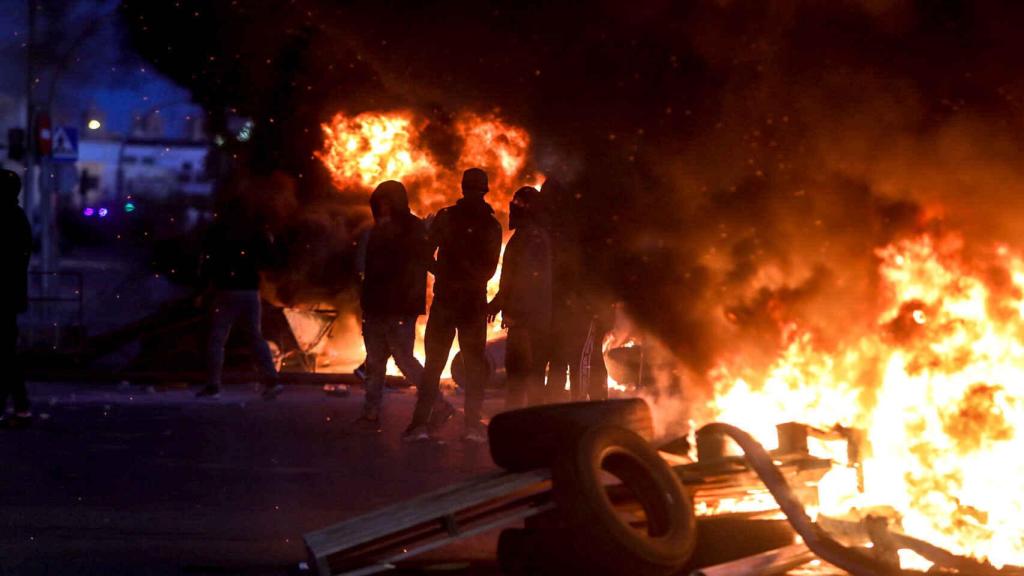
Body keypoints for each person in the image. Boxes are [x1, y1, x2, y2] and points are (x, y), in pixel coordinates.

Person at [406, 168, 502, 442]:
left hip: (449, 301)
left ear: (464, 188)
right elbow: (488, 270)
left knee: (436, 365)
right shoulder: (490, 225)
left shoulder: (448, 217)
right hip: (469, 303)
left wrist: (445, 274)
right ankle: (470, 426)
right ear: (484, 191)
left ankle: (420, 425)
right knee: (472, 366)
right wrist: (461, 278)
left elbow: (424, 254)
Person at [356, 180, 428, 430]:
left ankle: (436, 404)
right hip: (376, 307)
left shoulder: (411, 229)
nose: (383, 208)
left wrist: (407, 304)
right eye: (380, 203)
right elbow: (367, 270)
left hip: (398, 308)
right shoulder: (376, 231)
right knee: (374, 363)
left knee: (404, 360)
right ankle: (371, 412)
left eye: (387, 203)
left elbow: (413, 269)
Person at [195, 195, 283, 400]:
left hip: (226, 291)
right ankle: (272, 380)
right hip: (250, 291)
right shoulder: (256, 231)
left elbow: (207, 261)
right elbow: (271, 261)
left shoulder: (218, 231)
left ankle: (213, 385)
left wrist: (203, 289)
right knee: (255, 336)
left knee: (217, 337)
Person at [489, 186, 552, 409]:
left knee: (520, 376)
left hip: (526, 322)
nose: (512, 208)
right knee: (526, 376)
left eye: (518, 203)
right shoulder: (529, 236)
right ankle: (527, 420)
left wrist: (505, 307)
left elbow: (524, 280)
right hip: (529, 320)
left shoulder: (531, 238)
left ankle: (521, 421)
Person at [1, 169, 33, 428]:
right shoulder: (16, 217)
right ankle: (21, 407)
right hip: (9, 297)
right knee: (6, 353)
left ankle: (19, 407)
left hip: (3, 297)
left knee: (5, 355)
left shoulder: (7, 219)